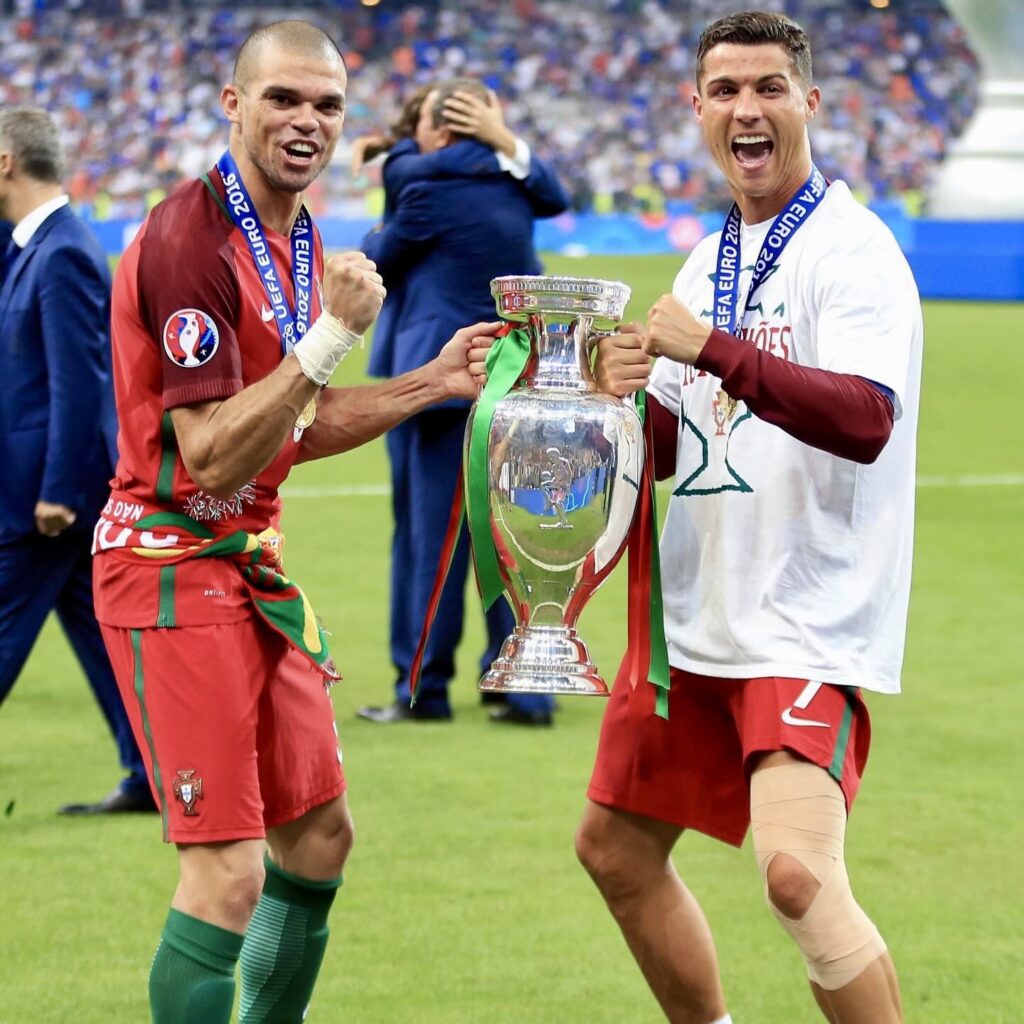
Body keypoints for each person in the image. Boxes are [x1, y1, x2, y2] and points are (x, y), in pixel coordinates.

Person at [91, 22, 498, 1024]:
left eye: (324, 105)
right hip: (170, 573)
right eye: (283, 99)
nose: (305, 122)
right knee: (226, 874)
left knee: (317, 837)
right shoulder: (191, 242)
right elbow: (214, 453)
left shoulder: (301, 235)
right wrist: (333, 335)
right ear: (234, 105)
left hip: (250, 572)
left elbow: (290, 422)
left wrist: (430, 383)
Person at [575, 12, 922, 1024]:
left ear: (809, 102)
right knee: (615, 850)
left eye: (768, 86)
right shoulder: (704, 265)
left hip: (803, 618)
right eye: (724, 90)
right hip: (697, 625)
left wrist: (711, 351)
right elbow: (685, 452)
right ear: (697, 110)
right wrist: (623, 397)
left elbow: (865, 419)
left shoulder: (852, 249)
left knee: (797, 880)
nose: (746, 108)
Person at [357, 78, 571, 726]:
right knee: (512, 540)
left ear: (443, 131)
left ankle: (422, 687)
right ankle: (521, 682)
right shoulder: (515, 181)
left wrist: (390, 166)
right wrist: (503, 138)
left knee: (432, 545)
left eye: (417, 123)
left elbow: (376, 260)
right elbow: (556, 193)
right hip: (518, 381)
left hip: (444, 387)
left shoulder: (421, 182)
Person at [0, 107, 153, 815]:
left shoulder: (61, 252)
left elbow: (80, 381)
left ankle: (153, 772)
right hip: (45, 490)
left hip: (46, 500)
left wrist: (60, 490)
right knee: (105, 638)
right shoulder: (31, 246)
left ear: (6, 162)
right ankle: (152, 774)